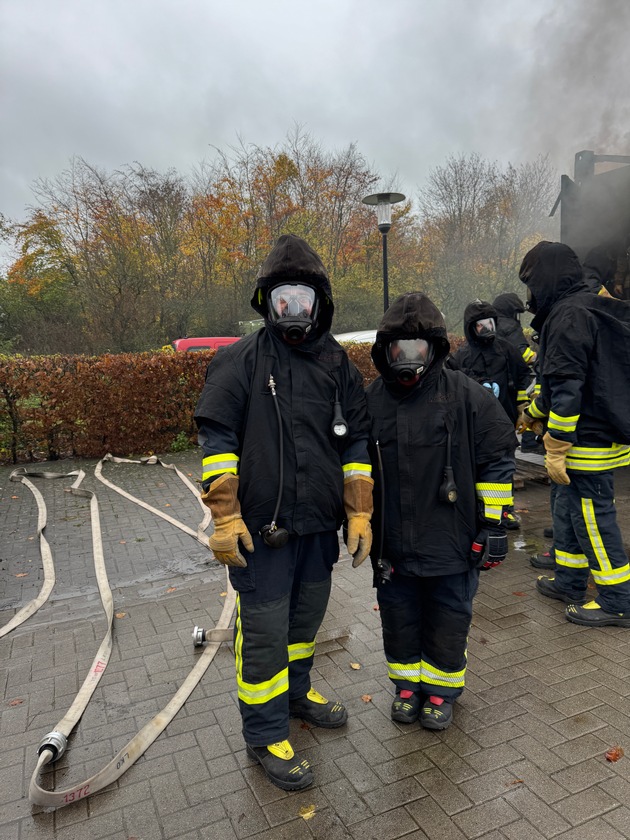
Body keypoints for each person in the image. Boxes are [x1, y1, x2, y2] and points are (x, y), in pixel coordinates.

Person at [195, 233, 373, 790]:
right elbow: (217, 440)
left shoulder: (336, 363)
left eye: (303, 299)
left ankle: (298, 694)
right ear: (266, 303)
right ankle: (265, 732)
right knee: (267, 632)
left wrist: (359, 512)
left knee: (304, 623)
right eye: (282, 300)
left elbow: (356, 442)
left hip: (318, 526)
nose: (293, 311)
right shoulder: (240, 362)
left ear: (320, 302)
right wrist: (225, 516)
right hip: (262, 534)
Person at [365, 292, 516, 730]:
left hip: (452, 540)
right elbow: (351, 463)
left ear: (434, 349)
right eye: (399, 349)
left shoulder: (465, 395)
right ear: (385, 351)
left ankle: (442, 691)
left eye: (417, 349)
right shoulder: (372, 400)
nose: (408, 358)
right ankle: (407, 687)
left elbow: (497, 458)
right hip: (392, 543)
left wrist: (493, 523)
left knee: (449, 618)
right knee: (398, 618)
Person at [519, 240, 630, 627]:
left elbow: (567, 386)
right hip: (594, 435)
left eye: (532, 284)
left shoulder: (568, 316)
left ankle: (618, 599)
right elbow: (555, 384)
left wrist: (556, 444)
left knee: (592, 519)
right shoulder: (581, 308)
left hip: (586, 442)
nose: (530, 295)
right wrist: (532, 413)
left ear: (547, 279)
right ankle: (569, 581)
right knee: (568, 511)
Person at [447, 299, 530, 530]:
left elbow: (523, 376)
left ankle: (506, 511)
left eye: (490, 324)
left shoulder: (506, 350)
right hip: (475, 427)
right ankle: (478, 509)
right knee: (476, 468)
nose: (486, 330)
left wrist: (523, 406)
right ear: (471, 328)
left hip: (504, 422)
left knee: (504, 469)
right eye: (480, 326)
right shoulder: (461, 357)